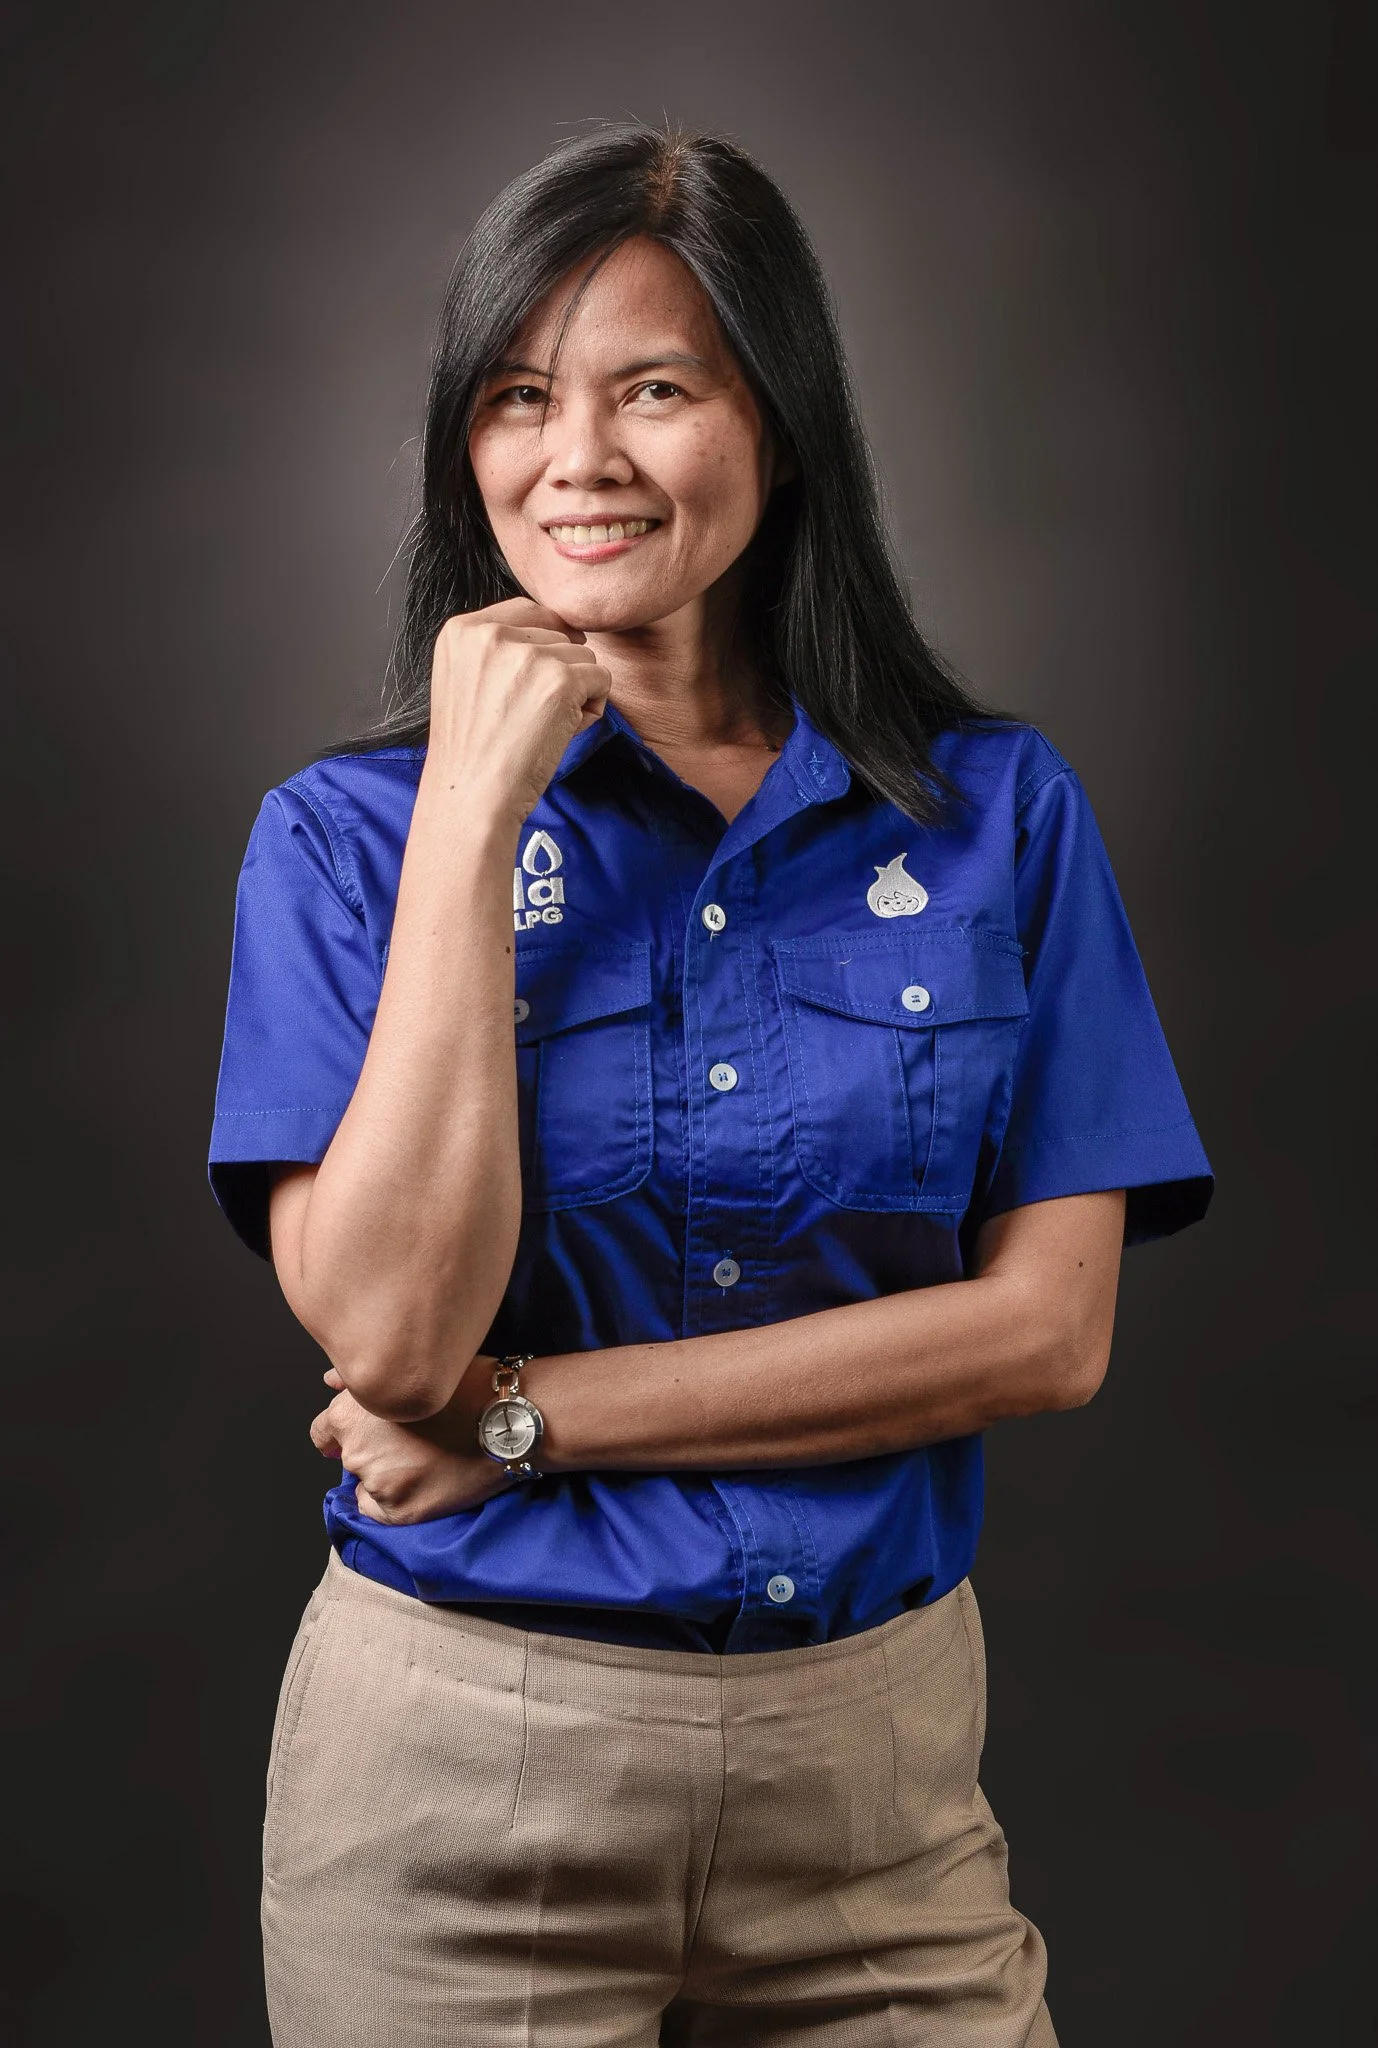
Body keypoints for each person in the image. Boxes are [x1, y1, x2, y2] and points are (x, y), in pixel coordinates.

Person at [208, 125, 1212, 2048]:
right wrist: (472, 818)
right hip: (462, 1784)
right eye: (518, 397)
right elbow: (391, 1340)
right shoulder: (343, 843)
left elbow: (1046, 1332)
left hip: (877, 1788)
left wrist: (525, 1420)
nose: (575, 456)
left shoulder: (998, 813)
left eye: (653, 389)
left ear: (780, 421)